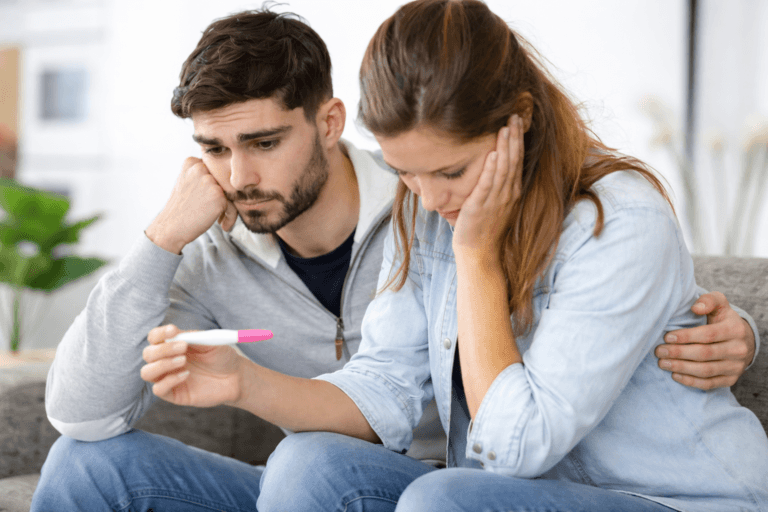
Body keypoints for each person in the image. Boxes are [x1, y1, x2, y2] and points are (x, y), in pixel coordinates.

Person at [31, 5, 759, 512]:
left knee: (438, 497)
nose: (428, 198)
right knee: (291, 462)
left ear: (330, 125)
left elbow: (517, 445)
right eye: (408, 175)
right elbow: (382, 386)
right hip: (448, 485)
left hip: (632, 495)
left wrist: (476, 258)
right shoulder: (422, 210)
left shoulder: (607, 216)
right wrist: (240, 374)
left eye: (448, 172)